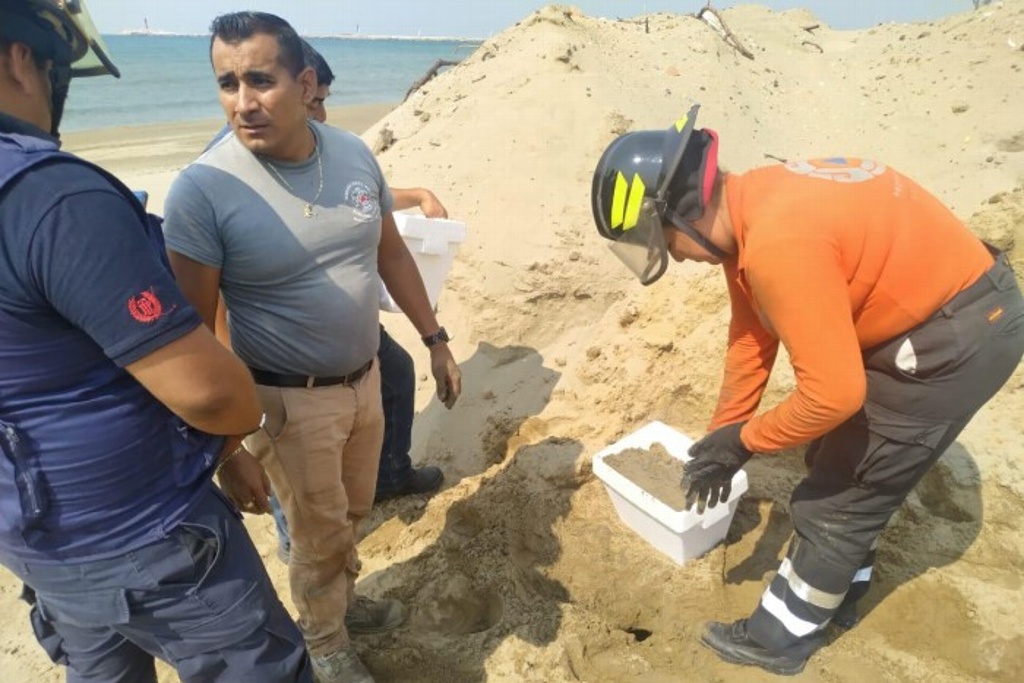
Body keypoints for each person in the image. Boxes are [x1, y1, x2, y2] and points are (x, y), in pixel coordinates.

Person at [591, 104, 1024, 675]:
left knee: (838, 501)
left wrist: (744, 442)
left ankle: (781, 637)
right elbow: (751, 338)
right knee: (830, 456)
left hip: (955, 340)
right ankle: (845, 584)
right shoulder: (751, 205)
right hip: (931, 317)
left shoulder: (779, 245)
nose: (679, 259)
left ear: (683, 213)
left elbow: (834, 396)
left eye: (669, 244)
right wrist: (722, 432)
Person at [0, 1, 312, 681]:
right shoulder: (51, 200)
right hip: (148, 536)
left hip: (34, 539)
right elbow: (208, 391)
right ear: (22, 59)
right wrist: (244, 422)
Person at [162, 12, 462, 683]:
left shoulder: (353, 154)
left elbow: (389, 252)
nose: (244, 102)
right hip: (285, 401)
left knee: (353, 511)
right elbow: (190, 327)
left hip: (362, 383)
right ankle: (325, 642)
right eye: (228, 83)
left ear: (304, 83)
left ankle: (341, 603)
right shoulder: (205, 191)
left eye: (261, 80)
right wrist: (229, 443)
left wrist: (435, 339)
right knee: (316, 532)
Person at [206, 40, 450, 566]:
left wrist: (436, 338)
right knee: (304, 511)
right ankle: (311, 579)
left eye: (321, 102)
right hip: (281, 372)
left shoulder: (336, 150)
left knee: (396, 374)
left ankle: (387, 478)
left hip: (353, 349)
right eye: (231, 85)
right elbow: (211, 312)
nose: (322, 113)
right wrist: (237, 417)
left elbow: (366, 209)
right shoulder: (218, 184)